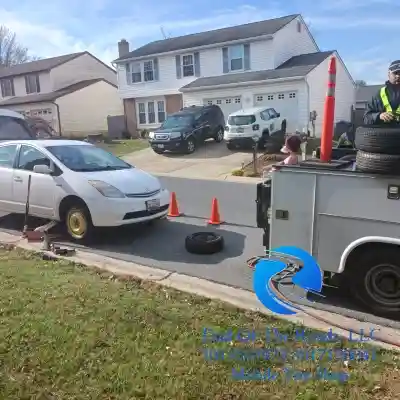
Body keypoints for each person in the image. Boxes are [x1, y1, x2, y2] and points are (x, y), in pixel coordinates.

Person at [363, 60, 400, 125]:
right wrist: (378, 116)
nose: (398, 76)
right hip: (383, 134)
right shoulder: (378, 95)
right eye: (395, 73)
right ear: (389, 74)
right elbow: (366, 118)